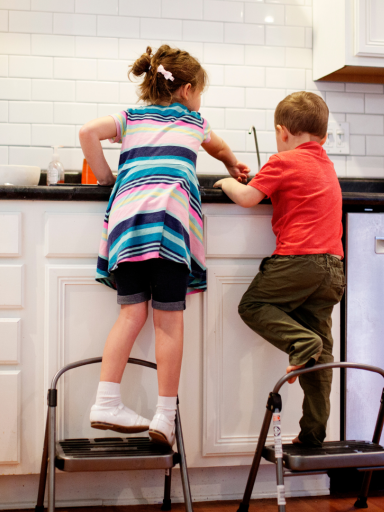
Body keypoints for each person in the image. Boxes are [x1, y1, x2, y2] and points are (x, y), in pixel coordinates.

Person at [79, 45, 250, 446]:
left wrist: (107, 177)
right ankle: (164, 416)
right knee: (168, 321)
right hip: (168, 226)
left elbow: (87, 132)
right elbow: (219, 146)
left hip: (127, 225)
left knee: (130, 315)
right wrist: (232, 165)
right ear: (188, 90)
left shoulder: (130, 117)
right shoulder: (194, 121)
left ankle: (105, 401)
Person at [214, 91, 345, 447]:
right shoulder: (325, 164)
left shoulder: (282, 161)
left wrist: (227, 182)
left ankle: (301, 342)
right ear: (323, 135)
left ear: (281, 131)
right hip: (333, 270)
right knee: (322, 357)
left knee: (252, 306)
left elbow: (247, 198)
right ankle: (313, 434)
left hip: (298, 262)